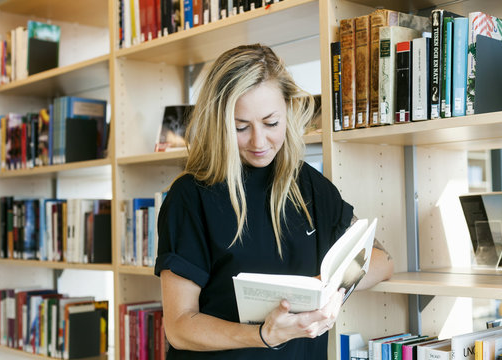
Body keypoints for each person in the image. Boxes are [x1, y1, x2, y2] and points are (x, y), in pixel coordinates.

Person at [154, 44, 393, 359]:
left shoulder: (308, 185)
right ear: (219, 123)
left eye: (271, 123)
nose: (258, 141)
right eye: (241, 127)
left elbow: (380, 260)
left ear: (289, 113)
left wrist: (327, 285)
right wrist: (262, 335)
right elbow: (180, 327)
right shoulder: (191, 196)